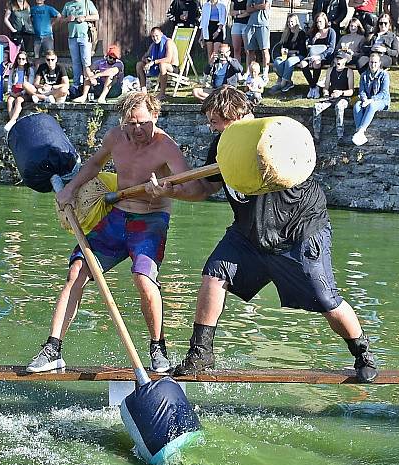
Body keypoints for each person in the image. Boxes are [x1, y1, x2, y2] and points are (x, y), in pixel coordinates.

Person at [143, 85, 379, 383]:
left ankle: (362, 353)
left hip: (299, 230)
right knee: (215, 273)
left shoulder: (275, 138)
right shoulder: (222, 144)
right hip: (249, 233)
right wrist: (169, 190)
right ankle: (200, 353)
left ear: (232, 116)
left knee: (325, 299)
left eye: (214, 121)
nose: (210, 128)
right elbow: (203, 188)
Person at [27, 92, 191, 374]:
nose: (137, 130)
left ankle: (157, 347)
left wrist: (167, 189)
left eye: (142, 123)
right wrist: (70, 189)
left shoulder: (167, 146)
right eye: (131, 124)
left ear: (155, 116)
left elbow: (190, 186)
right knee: (77, 270)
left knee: (143, 278)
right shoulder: (116, 137)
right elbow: (93, 165)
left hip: (150, 220)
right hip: (117, 218)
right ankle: (53, 348)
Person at [313, 50, 354, 141]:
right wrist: (326, 92)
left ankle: (340, 135)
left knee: (339, 107)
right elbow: (326, 87)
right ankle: (316, 135)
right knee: (317, 106)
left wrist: (341, 92)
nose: (338, 61)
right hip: (331, 97)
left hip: (344, 97)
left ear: (345, 60)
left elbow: (351, 91)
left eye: (341, 59)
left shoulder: (349, 71)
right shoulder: (330, 70)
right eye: (337, 59)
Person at [352, 52, 390, 146]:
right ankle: (359, 132)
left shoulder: (384, 75)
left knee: (372, 106)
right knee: (357, 105)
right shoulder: (364, 75)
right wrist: (364, 99)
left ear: (379, 63)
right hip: (367, 101)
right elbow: (362, 91)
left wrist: (371, 100)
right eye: (371, 62)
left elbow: (383, 93)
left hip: (381, 101)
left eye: (375, 62)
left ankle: (361, 131)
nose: (373, 65)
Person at [299, 11, 336, 99]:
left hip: (325, 56)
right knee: (303, 64)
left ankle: (313, 88)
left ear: (325, 22)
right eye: (317, 22)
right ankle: (313, 86)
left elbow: (331, 48)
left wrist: (320, 56)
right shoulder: (314, 32)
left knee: (316, 63)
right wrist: (314, 38)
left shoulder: (331, 32)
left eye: (321, 22)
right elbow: (309, 46)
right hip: (313, 55)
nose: (319, 24)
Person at [62, 0, 98, 89]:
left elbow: (96, 16)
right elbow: (61, 19)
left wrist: (84, 18)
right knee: (75, 63)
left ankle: (89, 85)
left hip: (85, 37)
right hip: (72, 37)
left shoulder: (87, 2)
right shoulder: (68, 4)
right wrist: (68, 19)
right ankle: (76, 85)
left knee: (86, 63)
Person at [136, 26, 178, 101]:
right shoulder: (153, 45)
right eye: (153, 36)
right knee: (139, 64)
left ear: (161, 34)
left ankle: (162, 93)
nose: (155, 38)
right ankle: (143, 91)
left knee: (162, 65)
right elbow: (144, 57)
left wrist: (153, 62)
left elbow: (168, 59)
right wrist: (147, 61)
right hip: (158, 66)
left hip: (172, 67)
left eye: (156, 36)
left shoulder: (168, 42)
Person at [270, 13, 306, 93]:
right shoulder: (286, 33)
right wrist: (284, 51)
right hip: (287, 55)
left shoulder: (301, 33)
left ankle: (282, 84)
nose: (290, 24)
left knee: (289, 61)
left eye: (292, 22)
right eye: (288, 22)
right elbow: (284, 47)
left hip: (299, 56)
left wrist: (290, 52)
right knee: (277, 61)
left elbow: (301, 50)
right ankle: (289, 82)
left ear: (296, 22)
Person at [4, 50, 32, 131]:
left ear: (26, 60)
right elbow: (10, 82)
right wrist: (11, 92)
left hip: (24, 91)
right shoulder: (13, 70)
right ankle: (13, 121)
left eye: (23, 59)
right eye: (19, 59)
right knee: (9, 100)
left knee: (19, 100)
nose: (21, 61)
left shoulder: (29, 71)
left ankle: (12, 121)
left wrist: (21, 92)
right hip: (14, 91)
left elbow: (30, 84)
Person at [244, 0, 271, 80]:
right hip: (251, 25)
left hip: (263, 25)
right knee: (250, 51)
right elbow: (248, 9)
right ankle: (250, 72)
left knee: (264, 50)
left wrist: (254, 6)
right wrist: (259, 6)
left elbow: (265, 6)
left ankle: (265, 73)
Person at [200, 0, 227, 65]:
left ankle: (217, 70)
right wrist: (202, 35)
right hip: (208, 28)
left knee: (216, 53)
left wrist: (218, 31)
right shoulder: (206, 5)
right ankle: (210, 71)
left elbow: (223, 19)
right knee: (210, 53)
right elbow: (203, 21)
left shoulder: (222, 5)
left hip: (218, 28)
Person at [230, 0, 251, 74]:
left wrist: (237, 15)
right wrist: (241, 11)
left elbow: (248, 12)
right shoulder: (233, 0)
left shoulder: (248, 0)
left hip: (246, 24)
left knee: (247, 50)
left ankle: (248, 71)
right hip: (236, 24)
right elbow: (231, 12)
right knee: (236, 49)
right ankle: (238, 71)